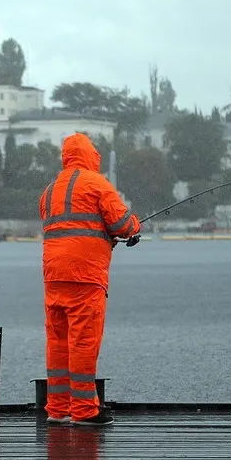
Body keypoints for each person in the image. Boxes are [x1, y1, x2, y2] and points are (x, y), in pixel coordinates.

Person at [40, 132, 141, 426]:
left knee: (57, 342)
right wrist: (133, 226)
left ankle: (57, 409)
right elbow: (121, 224)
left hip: (53, 275)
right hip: (85, 275)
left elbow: (69, 226)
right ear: (90, 155)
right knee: (83, 342)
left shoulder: (49, 191)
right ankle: (85, 410)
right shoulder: (97, 184)